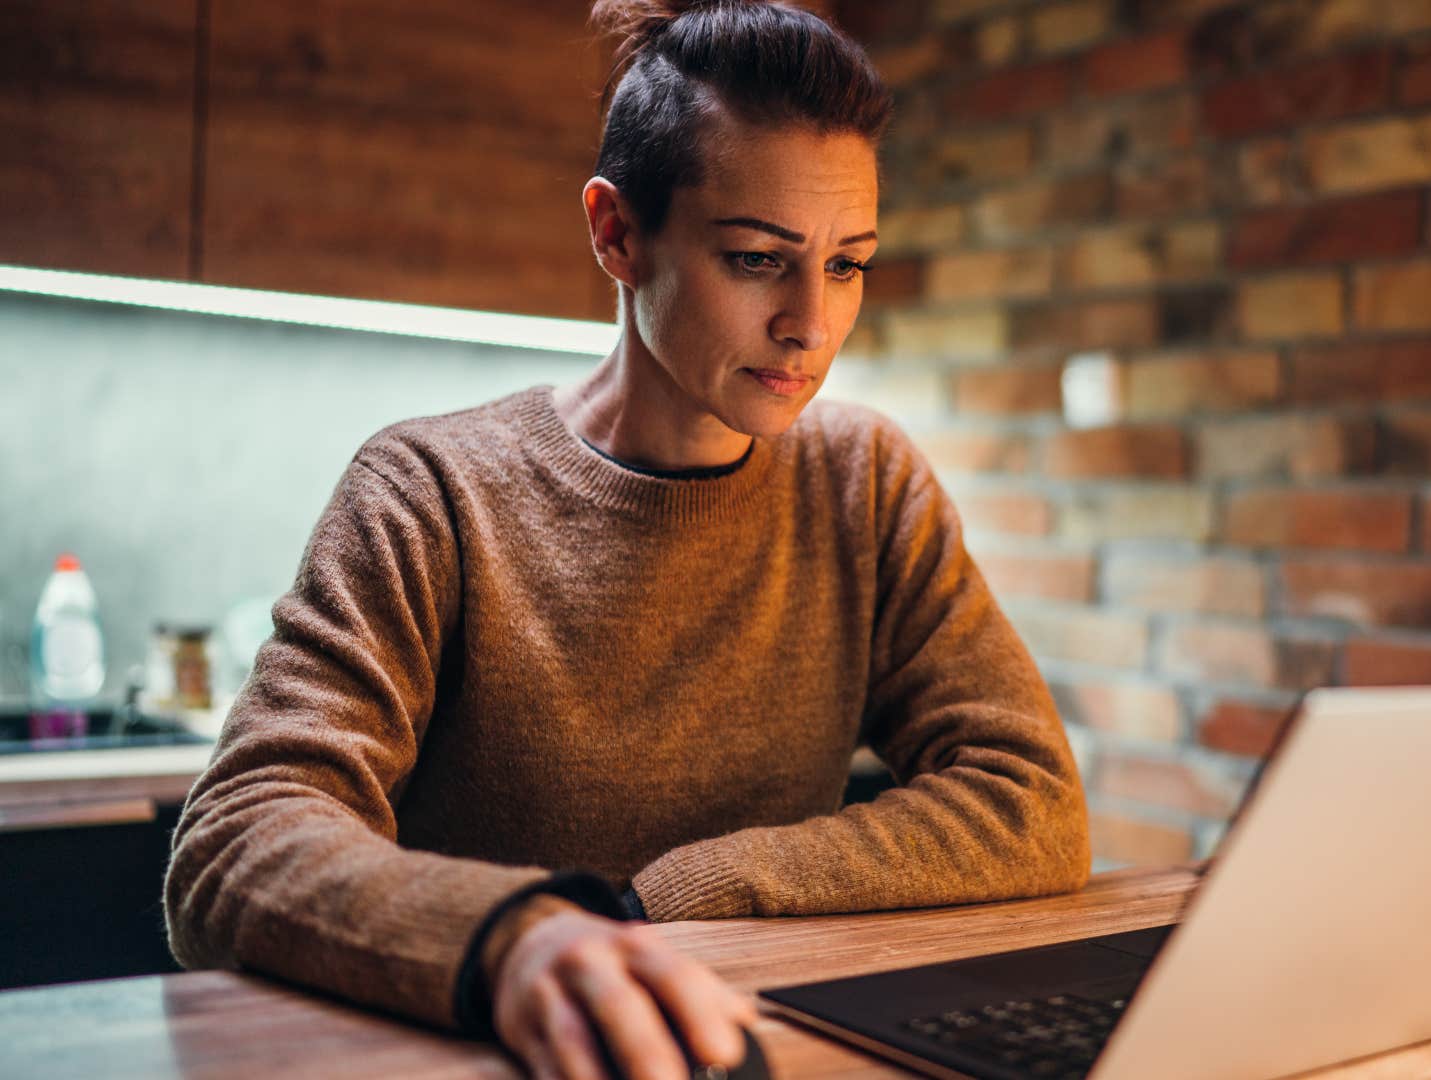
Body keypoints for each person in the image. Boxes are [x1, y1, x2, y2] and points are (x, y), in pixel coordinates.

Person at [162, 2, 1091, 1078]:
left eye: (847, 265)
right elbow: (234, 837)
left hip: (746, 1047)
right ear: (616, 234)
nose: (812, 324)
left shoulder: (865, 481)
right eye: (756, 260)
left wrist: (671, 896)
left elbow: (1030, 800)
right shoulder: (431, 490)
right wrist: (519, 932)